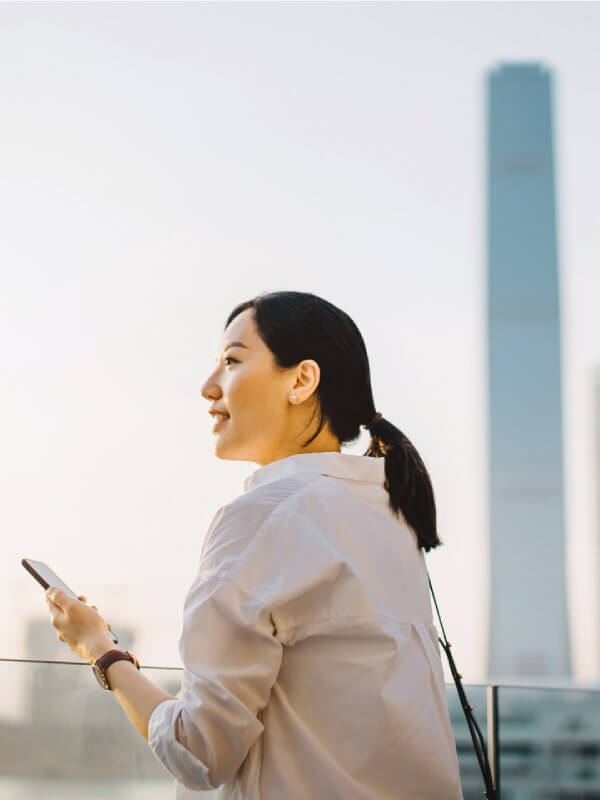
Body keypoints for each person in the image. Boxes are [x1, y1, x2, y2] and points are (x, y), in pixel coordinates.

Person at [46, 290, 463, 799]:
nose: (207, 387)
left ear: (302, 380)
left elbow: (198, 752)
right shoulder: (388, 511)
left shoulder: (262, 518)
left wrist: (101, 651)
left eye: (231, 361)